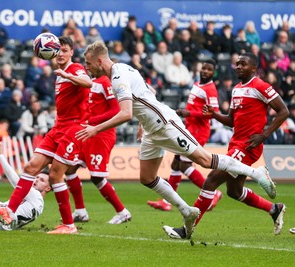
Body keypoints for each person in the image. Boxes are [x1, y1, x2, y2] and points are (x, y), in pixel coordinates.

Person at [76, 41, 277, 239]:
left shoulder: (118, 76)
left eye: (88, 63)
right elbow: (147, 93)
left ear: (100, 60)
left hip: (164, 124)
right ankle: (187, 211)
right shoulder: (122, 69)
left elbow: (126, 113)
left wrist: (96, 129)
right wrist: (142, 123)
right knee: (147, 177)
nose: (87, 67)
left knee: (204, 160)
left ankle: (255, 172)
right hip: (150, 128)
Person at [163, 53, 289, 239]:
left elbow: (283, 111)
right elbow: (231, 120)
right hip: (236, 143)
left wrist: (264, 135)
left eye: (243, 64)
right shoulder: (237, 89)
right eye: (237, 64)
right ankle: (274, 209)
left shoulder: (261, 86)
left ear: (254, 68)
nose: (238, 67)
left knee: (211, 180)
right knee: (234, 191)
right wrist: (214, 114)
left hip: (248, 146)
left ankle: (187, 229)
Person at [0, 36, 92, 234]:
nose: (60, 53)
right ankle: (9, 211)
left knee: (55, 175)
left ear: (71, 53)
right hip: (58, 127)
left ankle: (69, 225)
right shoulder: (59, 74)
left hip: (73, 129)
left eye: (64, 50)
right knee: (31, 167)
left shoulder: (74, 68)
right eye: (58, 50)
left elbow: (87, 82)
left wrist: (69, 76)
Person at [147, 60, 222, 212]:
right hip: (189, 128)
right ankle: (167, 201)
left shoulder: (210, 89)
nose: (205, 71)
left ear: (213, 72)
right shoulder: (197, 83)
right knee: (176, 164)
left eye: (209, 69)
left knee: (184, 165)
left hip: (199, 131)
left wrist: (190, 113)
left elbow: (212, 112)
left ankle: (214, 193)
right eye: (204, 68)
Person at [65, 74, 131, 224]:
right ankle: (80, 211)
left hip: (102, 134)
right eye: (86, 62)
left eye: (89, 62)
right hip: (88, 132)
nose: (87, 66)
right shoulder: (91, 82)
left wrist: (92, 121)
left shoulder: (105, 82)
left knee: (97, 177)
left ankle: (122, 212)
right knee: (70, 168)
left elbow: (116, 110)